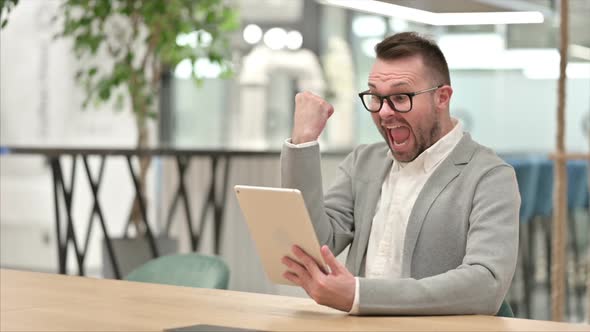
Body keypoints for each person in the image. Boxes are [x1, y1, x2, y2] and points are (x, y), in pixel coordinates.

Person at [279, 32, 520, 315]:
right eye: (376, 97)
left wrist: (359, 295)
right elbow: (315, 246)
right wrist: (303, 142)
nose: (384, 112)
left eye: (400, 97)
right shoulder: (363, 162)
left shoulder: (490, 177)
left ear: (442, 97)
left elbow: (485, 284)